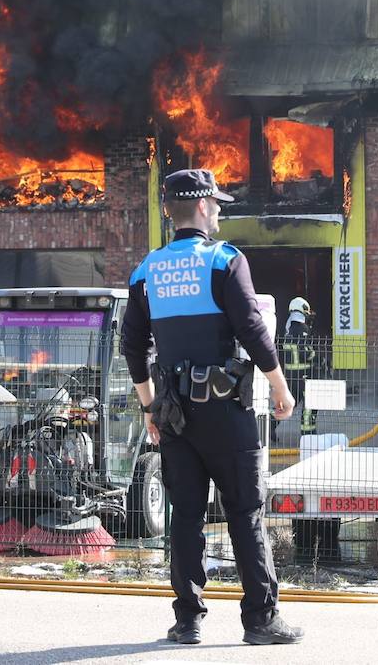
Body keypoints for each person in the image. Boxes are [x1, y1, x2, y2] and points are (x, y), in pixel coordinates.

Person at [121, 168, 305, 647]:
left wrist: (149, 409)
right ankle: (261, 621)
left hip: (175, 415)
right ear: (201, 207)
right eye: (217, 203)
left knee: (184, 516)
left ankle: (187, 622)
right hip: (226, 412)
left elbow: (132, 346)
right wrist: (280, 388)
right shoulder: (225, 261)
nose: (221, 210)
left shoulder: (146, 270)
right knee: (245, 513)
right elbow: (252, 329)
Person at [272, 296, 318, 443]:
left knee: (288, 403)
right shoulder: (302, 329)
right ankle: (308, 435)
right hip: (304, 374)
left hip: (291, 375)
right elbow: (306, 353)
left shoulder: (287, 329)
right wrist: (316, 355)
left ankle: (269, 426)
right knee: (310, 405)